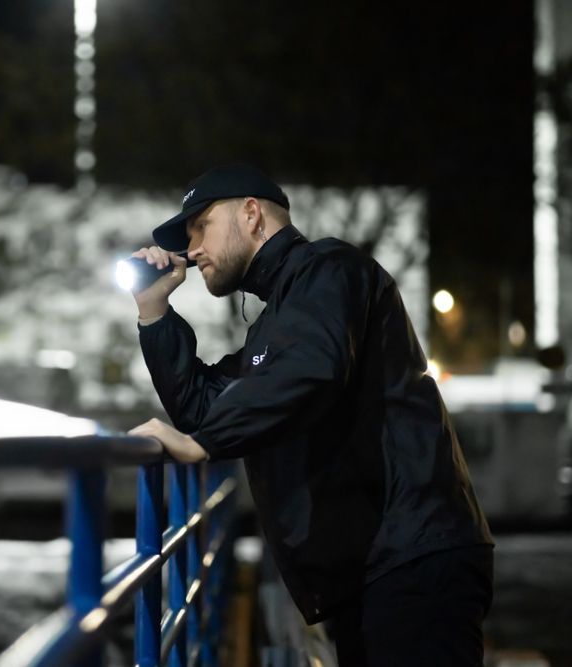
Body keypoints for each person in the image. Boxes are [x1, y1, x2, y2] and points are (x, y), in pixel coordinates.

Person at [127, 163, 494, 666]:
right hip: (374, 565)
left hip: (411, 556)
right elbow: (202, 403)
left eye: (201, 226)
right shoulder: (279, 319)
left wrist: (208, 443)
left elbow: (309, 372)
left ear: (252, 214)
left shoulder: (328, 269)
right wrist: (154, 312)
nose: (191, 249)